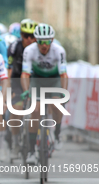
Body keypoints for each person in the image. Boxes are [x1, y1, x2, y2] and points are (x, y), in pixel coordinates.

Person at [21, 24, 68, 164]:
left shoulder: (59, 50)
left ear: (52, 40)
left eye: (47, 41)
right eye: (40, 41)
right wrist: (26, 92)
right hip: (37, 80)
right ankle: (31, 150)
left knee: (56, 104)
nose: (44, 45)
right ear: (36, 40)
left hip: (54, 80)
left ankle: (57, 133)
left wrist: (63, 94)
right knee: (35, 110)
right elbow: (25, 74)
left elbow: (64, 75)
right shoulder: (29, 50)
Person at [8, 19, 38, 160]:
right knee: (17, 109)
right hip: (17, 82)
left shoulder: (39, 48)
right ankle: (15, 143)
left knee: (38, 109)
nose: (29, 39)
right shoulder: (14, 47)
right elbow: (9, 70)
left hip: (35, 81)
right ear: (21, 35)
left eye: (32, 36)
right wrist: (8, 89)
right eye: (26, 35)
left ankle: (42, 138)